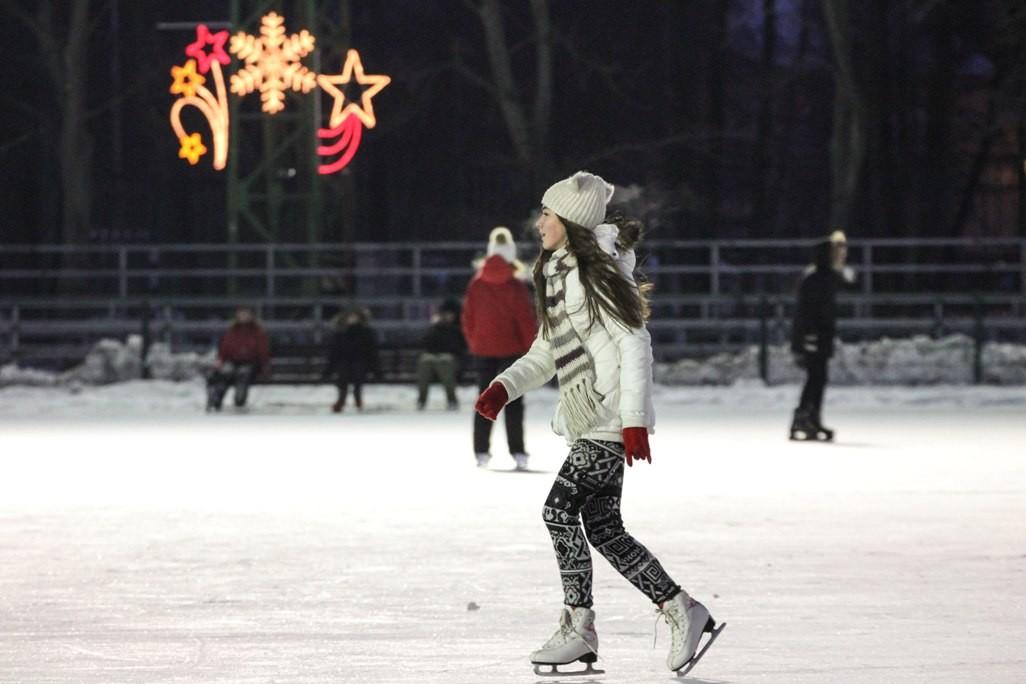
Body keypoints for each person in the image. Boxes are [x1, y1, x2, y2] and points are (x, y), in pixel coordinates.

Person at [474, 172, 724, 676]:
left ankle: (578, 625)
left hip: (607, 417)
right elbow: (547, 350)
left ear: (569, 221)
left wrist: (633, 421)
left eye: (547, 213)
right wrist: (504, 386)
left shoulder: (598, 274)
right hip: (592, 417)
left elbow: (635, 343)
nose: (539, 222)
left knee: (558, 512)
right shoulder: (560, 273)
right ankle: (682, 609)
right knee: (605, 528)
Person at [461, 226, 537, 470]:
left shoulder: (477, 283)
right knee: (513, 401)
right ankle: (518, 451)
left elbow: (468, 317)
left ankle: (481, 451)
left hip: (483, 349)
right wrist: (530, 348)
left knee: (485, 399)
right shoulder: (515, 285)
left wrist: (475, 341)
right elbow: (524, 319)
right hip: (512, 349)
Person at [790, 230, 853, 441]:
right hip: (814, 334)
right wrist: (802, 338)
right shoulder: (817, 277)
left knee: (817, 378)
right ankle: (804, 416)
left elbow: (848, 285)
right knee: (815, 378)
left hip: (819, 333)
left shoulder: (824, 276)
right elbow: (806, 312)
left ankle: (810, 416)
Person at [206, 306, 270, 411]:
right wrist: (220, 361)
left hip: (251, 363)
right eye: (241, 314)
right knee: (225, 372)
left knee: (243, 373)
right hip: (232, 361)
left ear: (251, 316)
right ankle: (216, 399)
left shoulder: (258, 332)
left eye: (246, 314)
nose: (243, 316)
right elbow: (224, 349)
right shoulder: (232, 331)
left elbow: (262, 351)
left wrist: (264, 365)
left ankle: (239, 400)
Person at [323, 305, 379, 413]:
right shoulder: (340, 333)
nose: (352, 319)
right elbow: (334, 352)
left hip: (359, 361)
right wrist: (328, 370)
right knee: (343, 372)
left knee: (358, 370)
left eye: (354, 317)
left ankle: (357, 399)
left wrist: (376, 369)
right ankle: (341, 399)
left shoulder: (365, 332)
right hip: (344, 362)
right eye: (350, 317)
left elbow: (371, 352)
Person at [416, 298, 466, 410]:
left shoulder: (457, 329)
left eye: (448, 314)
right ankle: (421, 400)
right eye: (443, 314)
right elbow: (425, 343)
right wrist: (435, 327)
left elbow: (459, 347)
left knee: (445, 363)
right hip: (433, 356)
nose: (445, 316)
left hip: (450, 358)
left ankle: (451, 400)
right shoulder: (434, 328)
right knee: (425, 363)